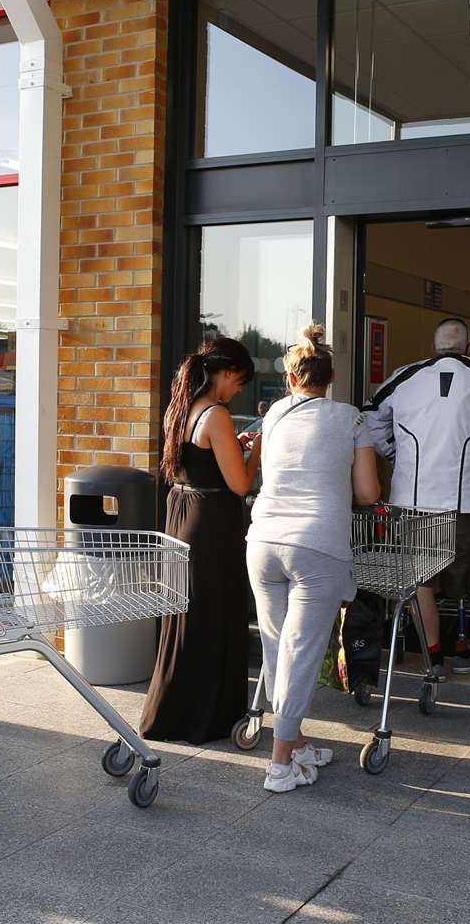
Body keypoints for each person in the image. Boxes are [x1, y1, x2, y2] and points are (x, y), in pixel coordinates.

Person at [246, 326, 380, 793]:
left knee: (276, 646)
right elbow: (368, 492)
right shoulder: (350, 419)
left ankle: (296, 742)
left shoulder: (273, 416)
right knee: (300, 652)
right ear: (332, 378)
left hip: (262, 541)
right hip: (317, 544)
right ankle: (280, 764)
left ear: (290, 379)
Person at [364, 318, 470, 673]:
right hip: (468, 500)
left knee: (419, 577)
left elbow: (370, 417)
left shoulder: (404, 376)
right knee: (462, 580)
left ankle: (433, 654)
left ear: (433, 347)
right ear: (469, 347)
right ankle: (458, 647)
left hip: (411, 498)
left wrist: (397, 455)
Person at [140, 337, 261, 745]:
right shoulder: (218, 415)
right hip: (211, 524)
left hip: (182, 514)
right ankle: (207, 718)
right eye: (238, 381)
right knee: (214, 616)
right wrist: (258, 447)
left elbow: (202, 463)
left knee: (185, 617)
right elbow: (240, 483)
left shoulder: (181, 409)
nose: (238, 389)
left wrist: (236, 449)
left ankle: (174, 712)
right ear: (225, 373)